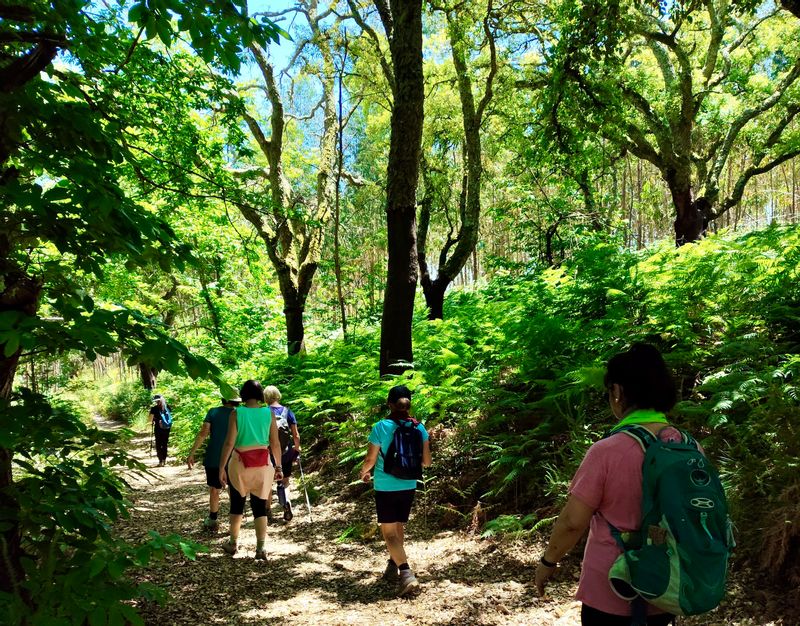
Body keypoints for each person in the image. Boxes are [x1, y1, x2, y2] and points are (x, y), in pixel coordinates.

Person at [534, 343, 685, 626]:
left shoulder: (607, 451)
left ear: (617, 391)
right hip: (667, 586)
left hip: (611, 591)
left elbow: (571, 522)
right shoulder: (688, 448)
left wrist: (548, 562)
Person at [359, 385, 432, 597]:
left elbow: (370, 459)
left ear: (389, 404)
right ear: (409, 403)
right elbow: (426, 462)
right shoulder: (420, 428)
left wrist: (364, 472)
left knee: (389, 532)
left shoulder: (381, 426)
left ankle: (406, 573)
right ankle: (393, 563)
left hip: (386, 486)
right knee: (398, 525)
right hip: (409, 484)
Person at [218, 380, 283, 560]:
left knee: (237, 504)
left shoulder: (236, 413)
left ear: (243, 395)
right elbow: (275, 443)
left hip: (240, 465)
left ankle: (233, 543)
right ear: (260, 394)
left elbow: (229, 443)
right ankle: (261, 548)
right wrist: (278, 466)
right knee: (259, 507)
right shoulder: (268, 413)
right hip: (263, 466)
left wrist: (221, 467)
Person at [187, 394, 241, 531]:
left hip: (214, 455)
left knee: (214, 489)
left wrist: (192, 453)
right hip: (235, 456)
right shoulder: (240, 413)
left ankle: (213, 519)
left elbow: (203, 433)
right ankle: (235, 521)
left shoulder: (213, 412)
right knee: (234, 489)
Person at [264, 385, 301, 522]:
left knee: (268, 482)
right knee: (284, 481)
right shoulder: (287, 412)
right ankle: (286, 503)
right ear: (278, 395)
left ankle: (267, 512)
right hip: (286, 451)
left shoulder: (264, 412)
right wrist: (296, 449)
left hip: (268, 452)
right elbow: (296, 435)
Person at [149, 394, 173, 467]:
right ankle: (164, 460)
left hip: (158, 428)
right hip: (167, 428)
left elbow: (150, 420)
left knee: (159, 444)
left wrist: (152, 419)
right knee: (165, 444)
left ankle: (160, 461)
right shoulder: (167, 407)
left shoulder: (154, 408)